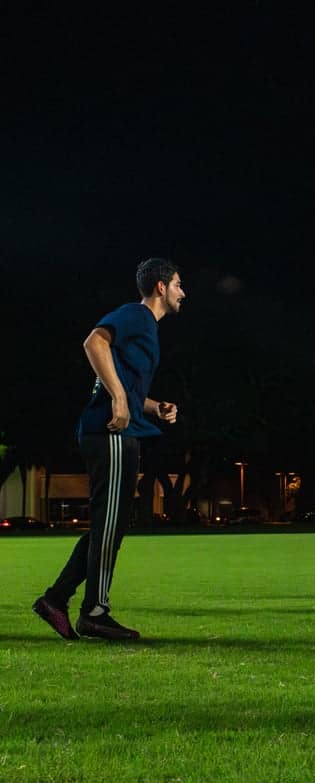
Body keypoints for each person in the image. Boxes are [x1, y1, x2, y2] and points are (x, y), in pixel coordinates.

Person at [33, 258, 185, 641]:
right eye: (180, 285)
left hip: (121, 429)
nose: (185, 293)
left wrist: (153, 407)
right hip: (110, 432)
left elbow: (130, 390)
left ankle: (56, 600)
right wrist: (119, 399)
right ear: (161, 287)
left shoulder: (147, 328)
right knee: (109, 525)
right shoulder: (136, 315)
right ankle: (94, 613)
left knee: (111, 526)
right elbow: (94, 341)